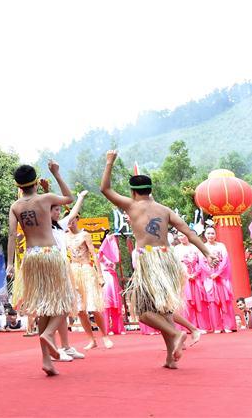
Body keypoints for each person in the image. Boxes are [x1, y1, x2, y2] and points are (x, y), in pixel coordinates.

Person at [100, 151, 216, 369]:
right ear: (150, 190)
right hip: (167, 260)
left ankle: (175, 333)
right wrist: (206, 252)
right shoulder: (164, 210)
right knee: (163, 310)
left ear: (133, 192)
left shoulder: (131, 206)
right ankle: (171, 358)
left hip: (148, 261)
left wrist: (109, 162)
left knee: (142, 311)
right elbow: (190, 233)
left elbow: (105, 189)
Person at [6, 162, 74, 376]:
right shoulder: (45, 199)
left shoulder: (15, 206)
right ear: (36, 182)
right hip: (50, 254)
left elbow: (11, 236)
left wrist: (10, 264)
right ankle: (49, 334)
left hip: (31, 257)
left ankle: (46, 360)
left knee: (44, 307)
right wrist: (56, 173)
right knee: (65, 300)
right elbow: (69, 198)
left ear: (18, 185)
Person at [65, 204, 113, 349]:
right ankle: (91, 339)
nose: (70, 222)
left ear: (77, 219)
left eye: (73, 219)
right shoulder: (65, 236)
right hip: (73, 271)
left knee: (93, 306)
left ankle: (104, 335)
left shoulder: (85, 235)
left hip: (86, 270)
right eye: (68, 219)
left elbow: (94, 254)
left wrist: (99, 275)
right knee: (80, 309)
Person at [49, 185, 87, 361]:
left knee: (65, 306)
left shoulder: (59, 226)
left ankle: (65, 346)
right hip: (50, 270)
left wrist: (80, 197)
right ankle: (54, 346)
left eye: (58, 210)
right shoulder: (43, 228)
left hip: (63, 269)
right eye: (55, 210)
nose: (58, 213)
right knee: (57, 308)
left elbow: (72, 215)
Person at [174, 230, 213, 332]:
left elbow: (202, 262)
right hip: (184, 279)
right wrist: (186, 275)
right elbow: (176, 264)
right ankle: (189, 327)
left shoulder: (195, 248)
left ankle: (203, 326)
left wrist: (195, 274)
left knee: (200, 302)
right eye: (179, 236)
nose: (181, 237)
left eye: (183, 235)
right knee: (187, 303)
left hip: (197, 278)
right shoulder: (176, 249)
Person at [202, 226, 236, 332]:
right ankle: (217, 326)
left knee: (226, 300)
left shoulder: (221, 246)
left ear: (215, 235)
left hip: (221, 277)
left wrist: (218, 273)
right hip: (210, 278)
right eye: (208, 233)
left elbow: (225, 260)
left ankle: (229, 326)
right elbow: (202, 263)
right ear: (205, 235)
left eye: (212, 233)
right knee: (212, 303)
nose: (210, 235)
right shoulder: (202, 247)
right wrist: (211, 273)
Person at [99, 232, 125, 335]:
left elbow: (117, 260)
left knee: (116, 305)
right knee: (106, 304)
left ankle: (118, 328)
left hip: (113, 279)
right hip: (105, 279)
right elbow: (99, 256)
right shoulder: (100, 254)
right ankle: (106, 328)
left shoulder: (113, 255)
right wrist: (107, 239)